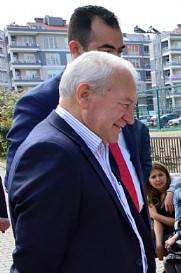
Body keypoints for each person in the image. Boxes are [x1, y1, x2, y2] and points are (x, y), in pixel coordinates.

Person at [8, 51, 181, 273]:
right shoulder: (52, 152)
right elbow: (34, 262)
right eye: (125, 104)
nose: (131, 117)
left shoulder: (93, 141)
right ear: (85, 95)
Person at [4, 5, 151, 185]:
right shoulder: (38, 104)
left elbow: (131, 168)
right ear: (75, 49)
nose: (116, 61)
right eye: (106, 52)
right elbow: (21, 180)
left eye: (119, 52)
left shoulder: (120, 98)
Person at [147, 162, 179, 260]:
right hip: (160, 233)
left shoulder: (176, 192)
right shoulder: (150, 195)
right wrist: (159, 244)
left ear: (166, 175)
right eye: (153, 177)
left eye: (161, 175)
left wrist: (156, 216)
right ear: (148, 180)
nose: (158, 179)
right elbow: (157, 221)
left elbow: (180, 223)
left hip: (177, 233)